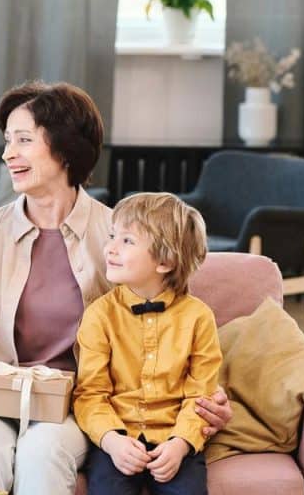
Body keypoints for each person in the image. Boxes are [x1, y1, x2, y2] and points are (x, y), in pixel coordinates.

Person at [0, 81, 232, 494]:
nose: (7, 154)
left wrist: (207, 401)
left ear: (64, 147)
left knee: (44, 453)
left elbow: (171, 319)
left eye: (23, 140)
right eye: (7, 141)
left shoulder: (120, 236)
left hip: (73, 405)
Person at [75, 192, 220, 494]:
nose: (110, 248)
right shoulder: (99, 315)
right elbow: (90, 393)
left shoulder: (198, 317)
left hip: (175, 440)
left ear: (165, 261)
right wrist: (112, 441)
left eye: (127, 241)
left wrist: (180, 444)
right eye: (112, 236)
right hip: (117, 439)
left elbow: (201, 395)